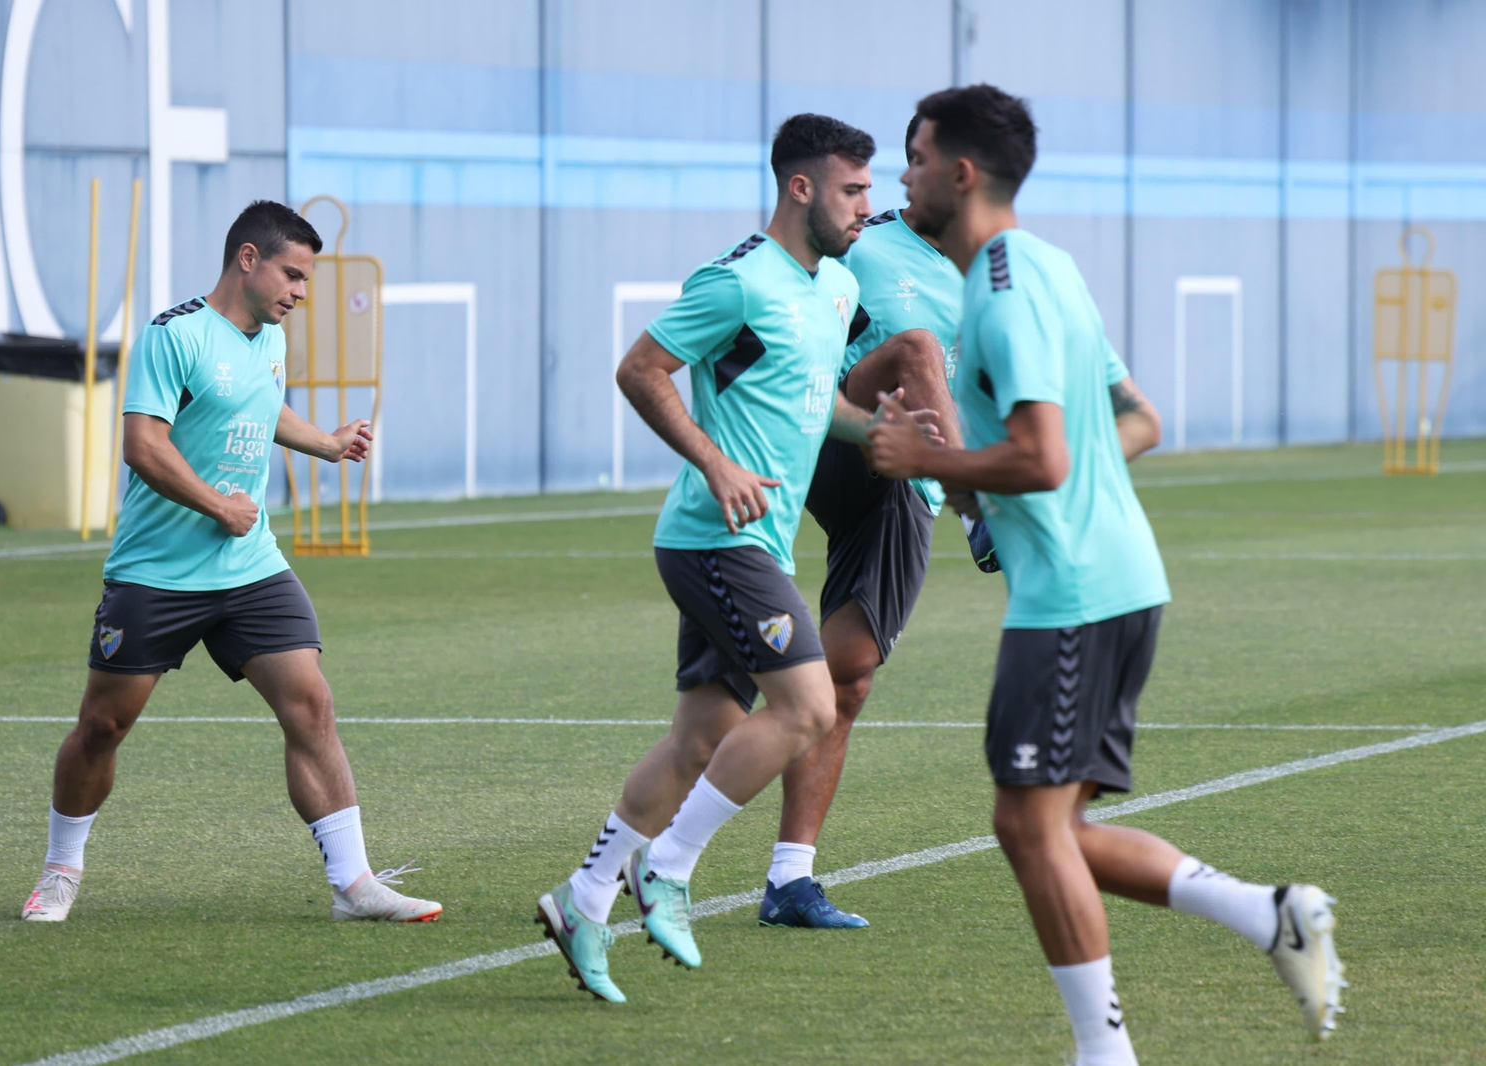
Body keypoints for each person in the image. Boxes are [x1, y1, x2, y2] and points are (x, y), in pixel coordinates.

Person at [867, 85, 1345, 1063]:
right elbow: (1137, 418)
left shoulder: (999, 295)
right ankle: (1271, 915)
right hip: (1109, 581)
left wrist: (936, 465)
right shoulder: (1045, 266)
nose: (901, 176)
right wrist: (1027, 488)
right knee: (1043, 826)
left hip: (1074, 599)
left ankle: (1106, 1052)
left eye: (913, 156)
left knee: (1030, 824)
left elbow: (1043, 457)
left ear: (958, 173)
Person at [534, 114, 939, 1003]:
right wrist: (714, 463)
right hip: (713, 538)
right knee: (808, 707)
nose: (868, 208)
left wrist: (876, 428)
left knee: (700, 737)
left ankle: (585, 893)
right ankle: (668, 870)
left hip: (754, 540)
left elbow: (812, 399)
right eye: (852, 190)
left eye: (870, 189)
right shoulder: (737, 281)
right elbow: (640, 369)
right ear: (802, 189)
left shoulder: (833, 289)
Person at [20, 200, 441, 925]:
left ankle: (353, 884)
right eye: (293, 275)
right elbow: (143, 446)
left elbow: (261, 406)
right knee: (102, 727)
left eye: (305, 281)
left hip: (250, 567)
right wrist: (218, 506)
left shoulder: (268, 340)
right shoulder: (173, 335)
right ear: (248, 259)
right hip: (157, 572)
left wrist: (327, 443)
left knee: (311, 705)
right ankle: (60, 870)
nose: (301, 292)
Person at [760, 114, 1001, 931]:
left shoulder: (995, 273)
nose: (901, 188)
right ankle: (980, 512)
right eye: (921, 168)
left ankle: (789, 879)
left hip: (907, 475)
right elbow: (778, 279)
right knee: (912, 348)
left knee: (843, 679)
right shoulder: (860, 242)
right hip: (840, 430)